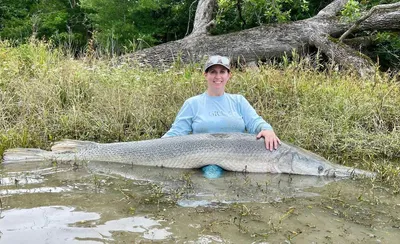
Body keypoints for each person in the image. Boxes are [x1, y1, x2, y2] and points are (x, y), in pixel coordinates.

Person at [162, 55, 281, 151]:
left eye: (222, 72)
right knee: (212, 174)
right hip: (204, 158)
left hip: (237, 156)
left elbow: (255, 122)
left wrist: (267, 129)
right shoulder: (192, 103)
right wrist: (155, 145)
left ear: (229, 75)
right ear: (205, 75)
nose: (217, 76)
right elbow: (177, 132)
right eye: (213, 72)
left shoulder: (238, 101)